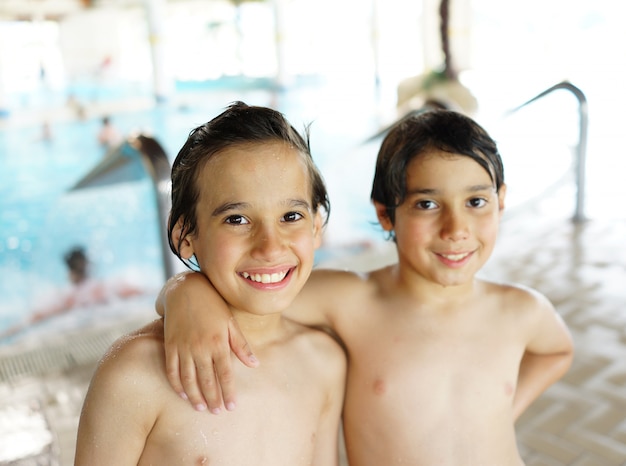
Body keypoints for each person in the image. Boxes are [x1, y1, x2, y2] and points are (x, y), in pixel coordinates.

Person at [156, 109, 574, 465]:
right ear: (386, 214)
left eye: (476, 202)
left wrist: (505, 411)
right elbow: (256, 289)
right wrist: (185, 292)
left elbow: (558, 351)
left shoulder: (521, 309)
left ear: (501, 201)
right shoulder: (351, 300)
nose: (456, 229)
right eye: (427, 204)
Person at [75, 102, 346, 465]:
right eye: (237, 219)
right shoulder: (134, 376)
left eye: (291, 216)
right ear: (186, 234)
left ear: (316, 227)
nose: (270, 246)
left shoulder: (324, 363)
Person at [0, 246, 143, 340]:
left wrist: (7, 333)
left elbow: (35, 319)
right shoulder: (105, 287)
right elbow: (140, 292)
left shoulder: (67, 297)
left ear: (69, 271)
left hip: (76, 327)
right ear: (88, 265)